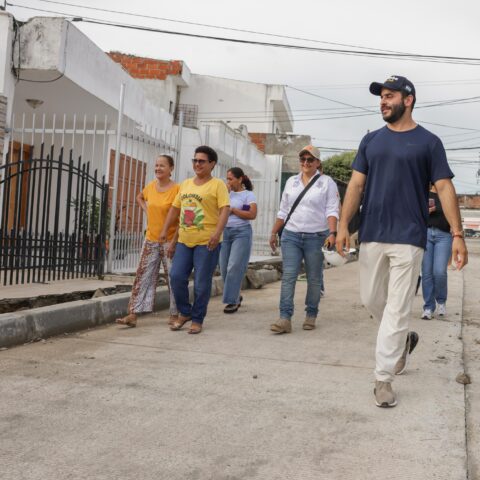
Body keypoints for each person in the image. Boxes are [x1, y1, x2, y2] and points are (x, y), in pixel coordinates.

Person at [336, 75, 468, 408]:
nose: (383, 101)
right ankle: (403, 340)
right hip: (373, 232)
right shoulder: (371, 141)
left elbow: (445, 187)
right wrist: (343, 225)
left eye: (390, 96)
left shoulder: (429, 142)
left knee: (396, 307)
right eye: (381, 96)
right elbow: (355, 185)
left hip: (409, 236)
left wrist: (457, 233)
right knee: (371, 299)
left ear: (408, 100)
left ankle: (383, 379)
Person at [269, 145, 339, 333]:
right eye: (303, 159)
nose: (306, 163)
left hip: (316, 237)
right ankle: (284, 318)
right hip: (291, 235)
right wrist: (274, 232)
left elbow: (332, 210)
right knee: (289, 276)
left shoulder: (327, 182)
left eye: (310, 159)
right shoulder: (291, 181)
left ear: (317, 162)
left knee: (314, 278)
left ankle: (311, 314)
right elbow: (283, 210)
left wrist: (332, 233)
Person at [160, 146, 230, 334]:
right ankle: (185, 312)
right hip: (184, 240)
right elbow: (176, 210)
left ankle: (197, 318)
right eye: (195, 160)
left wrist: (217, 233)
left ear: (212, 164)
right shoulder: (185, 184)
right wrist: (167, 233)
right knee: (176, 277)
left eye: (202, 161)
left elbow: (225, 209)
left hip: (207, 242)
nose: (197, 164)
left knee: (201, 282)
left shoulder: (218, 185)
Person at [116, 154, 179, 328]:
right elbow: (140, 197)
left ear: (171, 168)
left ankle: (175, 314)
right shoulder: (151, 187)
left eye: (162, 165)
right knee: (142, 276)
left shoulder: (177, 190)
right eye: (156, 165)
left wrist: (175, 241)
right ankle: (133, 314)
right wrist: (147, 211)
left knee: (173, 278)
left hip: (170, 241)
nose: (158, 168)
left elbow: (182, 218)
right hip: (151, 239)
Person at [219, 167, 257, 313]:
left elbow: (252, 214)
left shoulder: (248, 195)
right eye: (227, 179)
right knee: (223, 268)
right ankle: (236, 295)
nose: (228, 181)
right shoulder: (224, 193)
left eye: (231, 179)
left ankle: (232, 301)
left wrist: (233, 210)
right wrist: (225, 194)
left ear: (240, 179)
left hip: (241, 232)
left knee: (234, 266)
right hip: (225, 232)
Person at [421, 184, 452, 320]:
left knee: (439, 272)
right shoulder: (423, 193)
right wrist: (425, 211)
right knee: (426, 273)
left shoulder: (448, 194)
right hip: (426, 233)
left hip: (444, 235)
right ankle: (428, 307)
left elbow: (454, 214)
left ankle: (441, 302)